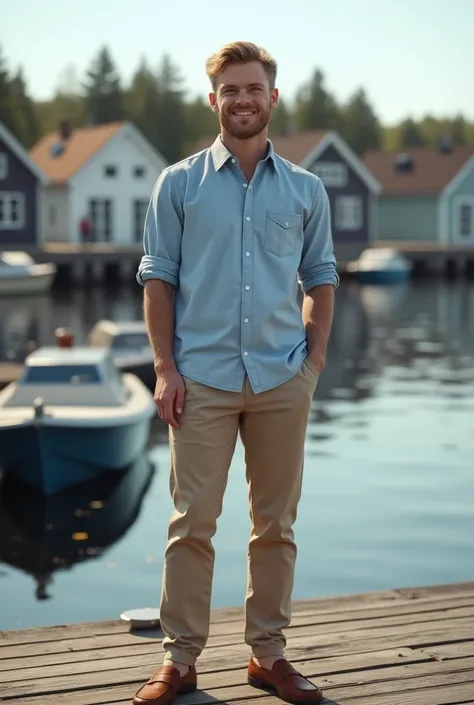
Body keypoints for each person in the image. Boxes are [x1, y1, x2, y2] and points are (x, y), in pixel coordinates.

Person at [133, 41, 339, 705]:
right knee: (191, 521)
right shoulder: (178, 185)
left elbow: (323, 276)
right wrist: (165, 368)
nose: (243, 100)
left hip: (284, 378)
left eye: (254, 89)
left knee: (275, 523)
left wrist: (315, 358)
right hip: (203, 381)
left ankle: (268, 653)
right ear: (214, 98)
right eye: (231, 90)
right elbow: (158, 279)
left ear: (272, 98)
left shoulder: (307, 189)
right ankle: (180, 660)